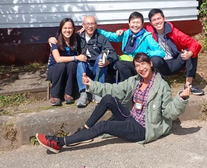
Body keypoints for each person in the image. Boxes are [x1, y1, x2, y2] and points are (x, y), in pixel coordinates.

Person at [35, 52, 191, 153]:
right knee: (108, 98)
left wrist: (181, 98)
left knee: (104, 126)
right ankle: (85, 130)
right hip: (131, 117)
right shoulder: (135, 81)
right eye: (137, 65)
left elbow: (169, 112)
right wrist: (91, 84)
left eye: (143, 64)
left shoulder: (161, 86)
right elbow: (114, 90)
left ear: (150, 64)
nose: (141, 68)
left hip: (143, 128)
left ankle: (60, 142)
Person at [51, 15, 119, 107]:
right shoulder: (77, 37)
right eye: (87, 24)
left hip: (97, 66)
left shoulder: (101, 38)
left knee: (101, 57)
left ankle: (98, 91)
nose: (90, 26)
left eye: (92, 24)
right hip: (83, 68)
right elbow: (63, 37)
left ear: (96, 25)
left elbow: (113, 53)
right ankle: (83, 93)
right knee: (80, 59)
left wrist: (108, 61)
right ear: (83, 25)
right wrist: (51, 39)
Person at [146, 9, 204, 95]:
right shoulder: (148, 33)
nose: (157, 22)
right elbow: (133, 31)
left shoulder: (172, 31)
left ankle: (189, 85)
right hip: (161, 65)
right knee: (155, 59)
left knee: (191, 51)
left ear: (164, 19)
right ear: (151, 23)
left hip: (175, 62)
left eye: (159, 18)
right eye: (154, 20)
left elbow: (194, 43)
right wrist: (120, 32)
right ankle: (159, 81)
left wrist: (189, 53)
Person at [97, 11, 165, 81]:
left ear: (142, 25)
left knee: (156, 60)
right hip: (129, 63)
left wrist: (146, 54)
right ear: (129, 24)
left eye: (138, 23)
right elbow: (110, 36)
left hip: (141, 64)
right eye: (133, 22)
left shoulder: (147, 36)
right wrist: (95, 30)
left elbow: (161, 52)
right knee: (117, 63)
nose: (135, 25)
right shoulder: (126, 34)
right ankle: (128, 85)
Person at [47, 18, 87, 106]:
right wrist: (77, 57)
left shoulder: (75, 39)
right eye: (65, 28)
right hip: (55, 71)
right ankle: (55, 96)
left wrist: (85, 28)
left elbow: (85, 31)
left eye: (70, 28)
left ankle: (68, 94)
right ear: (61, 29)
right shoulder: (55, 41)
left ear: (73, 29)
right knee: (61, 65)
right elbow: (58, 59)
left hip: (68, 70)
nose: (67, 30)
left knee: (72, 64)